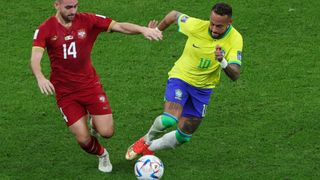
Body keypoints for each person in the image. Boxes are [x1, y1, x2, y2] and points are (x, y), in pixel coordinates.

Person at [30, 0, 162, 173]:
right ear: (57, 5)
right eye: (68, 7)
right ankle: (102, 154)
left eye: (75, 6)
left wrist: (143, 29)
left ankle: (94, 120)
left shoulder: (87, 20)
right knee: (84, 140)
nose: (73, 11)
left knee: (107, 132)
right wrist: (40, 77)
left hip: (90, 86)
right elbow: (35, 58)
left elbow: (119, 26)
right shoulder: (46, 29)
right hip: (65, 93)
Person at [125, 2, 243, 160]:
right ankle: (145, 140)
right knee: (169, 119)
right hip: (181, 77)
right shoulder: (197, 26)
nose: (214, 29)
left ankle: (150, 147)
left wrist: (222, 61)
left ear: (229, 23)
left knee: (184, 135)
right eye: (212, 23)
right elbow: (173, 15)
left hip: (203, 89)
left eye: (219, 26)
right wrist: (157, 30)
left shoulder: (235, 39)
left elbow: (235, 74)